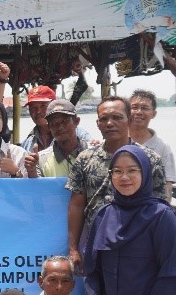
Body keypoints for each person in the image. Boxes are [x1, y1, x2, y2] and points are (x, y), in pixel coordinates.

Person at [84, 144, 176, 295]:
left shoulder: (162, 216)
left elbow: (172, 274)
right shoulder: (104, 216)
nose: (124, 177)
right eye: (117, 171)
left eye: (132, 170)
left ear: (145, 173)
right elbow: (92, 271)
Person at [66, 96, 166, 274]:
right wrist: (73, 249)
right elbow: (77, 204)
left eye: (117, 117)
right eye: (104, 119)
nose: (110, 123)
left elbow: (160, 206)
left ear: (130, 120)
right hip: (96, 245)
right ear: (97, 123)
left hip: (139, 247)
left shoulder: (150, 160)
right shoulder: (85, 159)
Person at [128, 89, 176, 190]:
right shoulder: (116, 141)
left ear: (153, 114)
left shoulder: (163, 147)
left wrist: (163, 205)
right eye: (134, 107)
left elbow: (167, 185)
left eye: (145, 108)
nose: (139, 112)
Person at [26, 99, 90, 178]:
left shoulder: (95, 154)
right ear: (49, 127)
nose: (59, 127)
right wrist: (32, 172)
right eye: (53, 123)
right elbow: (39, 188)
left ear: (76, 122)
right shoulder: (41, 160)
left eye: (64, 121)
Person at [19, 85, 59, 154]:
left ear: (54, 106)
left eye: (43, 106)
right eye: (33, 108)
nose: (38, 111)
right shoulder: (26, 144)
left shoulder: (74, 135)